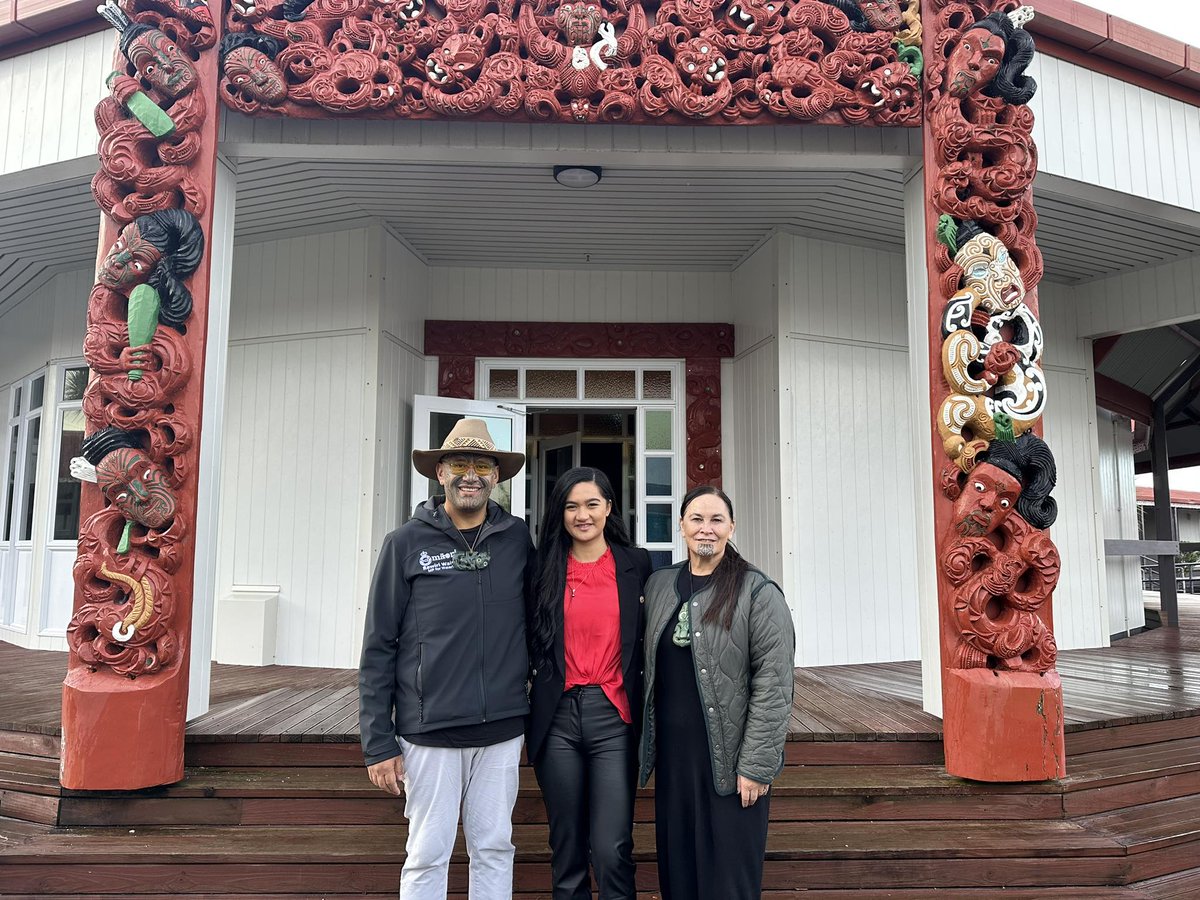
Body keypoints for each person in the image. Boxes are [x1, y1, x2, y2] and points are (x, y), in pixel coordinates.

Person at [359, 418, 533, 900]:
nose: (470, 474)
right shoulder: (406, 543)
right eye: (460, 463)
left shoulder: (517, 540)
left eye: (482, 464)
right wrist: (378, 742)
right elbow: (379, 646)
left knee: (495, 848)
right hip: (428, 730)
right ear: (440, 472)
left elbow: (541, 621)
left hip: (501, 728)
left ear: (496, 476)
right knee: (427, 853)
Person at [639, 485, 795, 900]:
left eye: (716, 520)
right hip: (675, 762)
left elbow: (775, 684)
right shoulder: (659, 585)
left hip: (730, 763)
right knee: (680, 874)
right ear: (681, 526)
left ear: (731, 527)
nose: (705, 529)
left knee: (728, 879)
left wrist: (757, 766)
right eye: (696, 519)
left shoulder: (757, 592)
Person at [527, 467, 653, 900]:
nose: (582, 515)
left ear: (609, 508)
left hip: (613, 717)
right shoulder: (542, 567)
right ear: (559, 513)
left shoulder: (636, 564)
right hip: (557, 717)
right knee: (567, 848)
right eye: (571, 506)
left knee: (611, 846)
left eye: (592, 504)